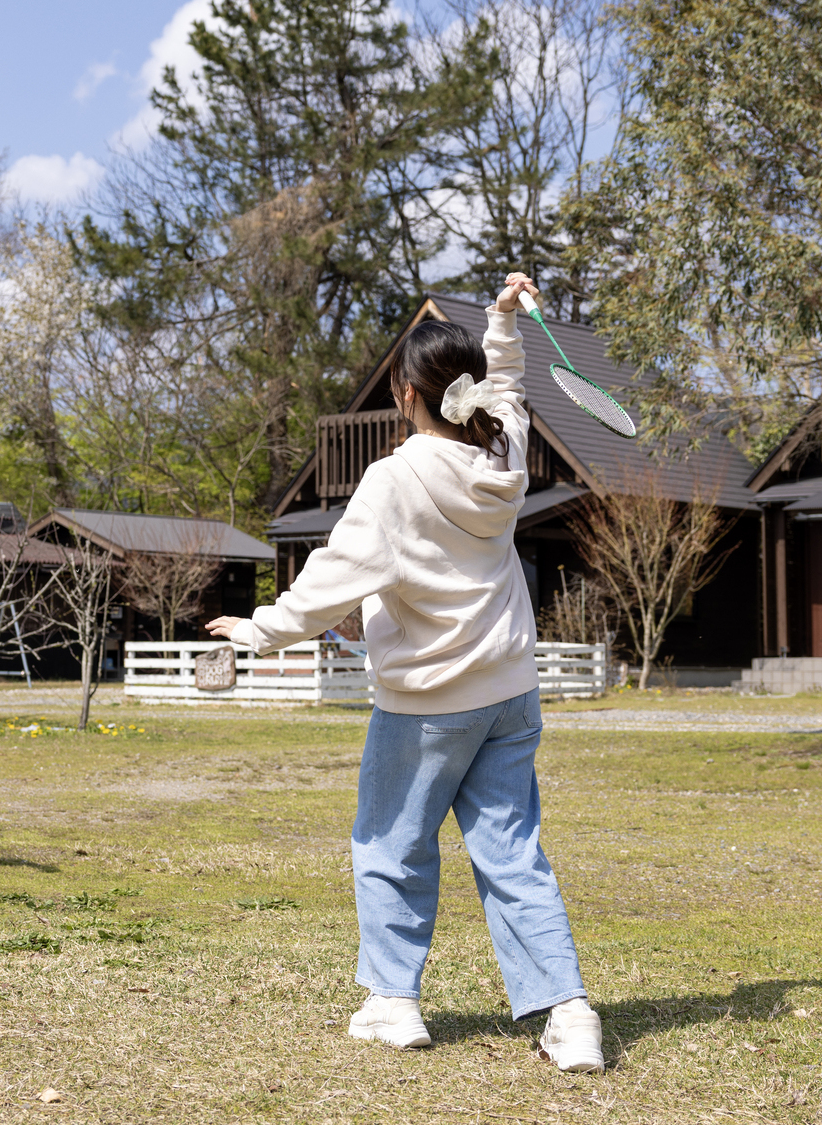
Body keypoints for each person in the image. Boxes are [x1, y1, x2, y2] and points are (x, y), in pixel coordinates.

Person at [205, 274, 603, 1072]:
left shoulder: (393, 479)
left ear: (405, 393)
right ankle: (569, 1013)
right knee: (512, 851)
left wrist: (256, 629)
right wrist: (499, 319)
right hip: (509, 695)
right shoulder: (506, 454)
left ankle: (392, 1003)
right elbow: (513, 387)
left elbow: (326, 582)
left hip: (427, 705)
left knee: (390, 843)